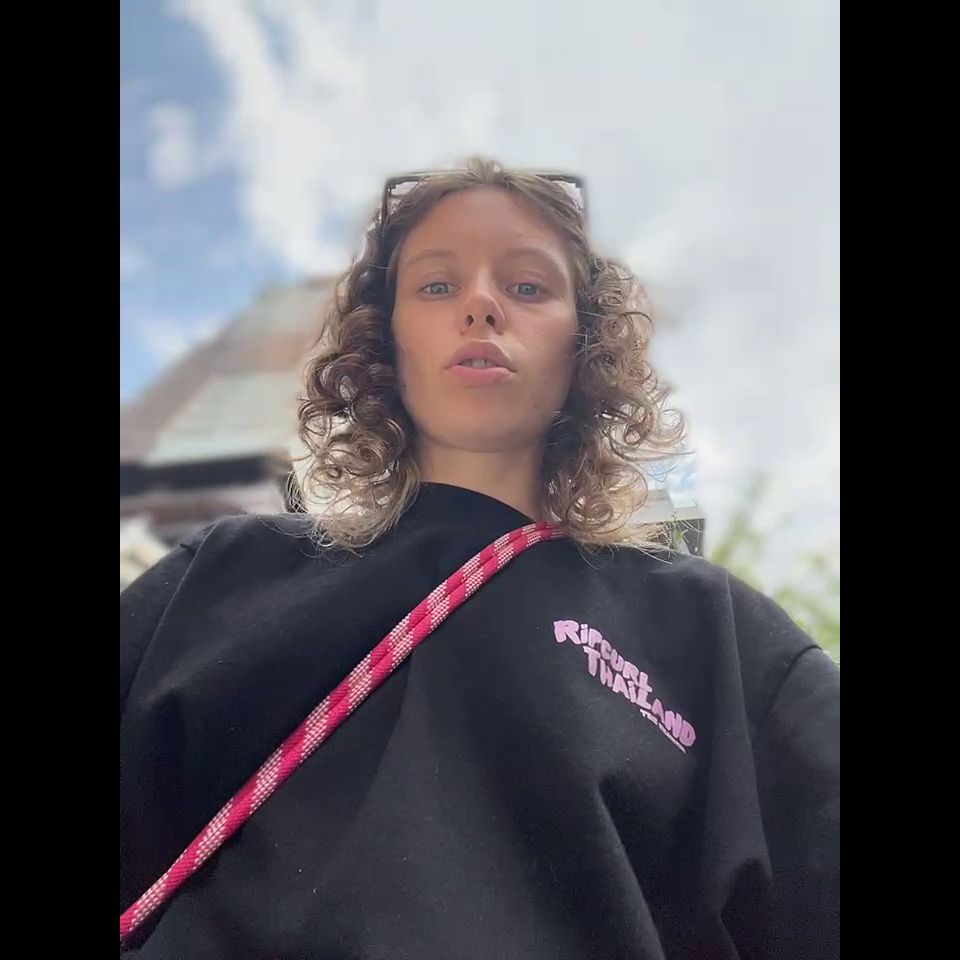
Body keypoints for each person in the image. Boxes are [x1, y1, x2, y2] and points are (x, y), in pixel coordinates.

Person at [120, 157, 839, 958]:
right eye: (436, 285)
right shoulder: (224, 572)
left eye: (528, 286)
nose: (481, 304)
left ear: (583, 343)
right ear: (386, 339)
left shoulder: (714, 635)